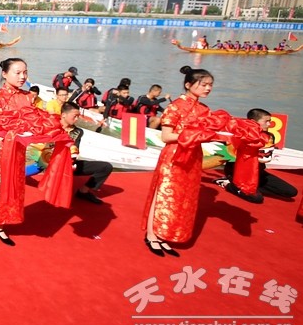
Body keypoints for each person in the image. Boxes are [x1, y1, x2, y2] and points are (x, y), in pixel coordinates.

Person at [141, 66, 263, 257]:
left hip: (194, 156)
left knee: (183, 197)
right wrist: (197, 135)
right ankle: (151, 235)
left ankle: (164, 234)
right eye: (204, 84)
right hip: (174, 156)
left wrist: (242, 131)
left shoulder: (204, 110)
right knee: (163, 194)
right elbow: (166, 136)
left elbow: (218, 127)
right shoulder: (175, 107)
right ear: (188, 85)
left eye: (210, 85)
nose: (208, 88)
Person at [0, 57, 73, 247]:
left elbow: (36, 119)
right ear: (5, 74)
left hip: (18, 150)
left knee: (13, 187)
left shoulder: (28, 97)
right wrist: (23, 123)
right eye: (17, 72)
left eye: (25, 72)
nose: (22, 76)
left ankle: (0, 224)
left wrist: (56, 129)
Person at [215, 108, 299, 203]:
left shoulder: (269, 136)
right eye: (266, 121)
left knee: (291, 192)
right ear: (253, 122)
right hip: (239, 173)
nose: (269, 124)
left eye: (270, 121)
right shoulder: (239, 135)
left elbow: (265, 158)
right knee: (257, 199)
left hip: (259, 172)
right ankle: (228, 184)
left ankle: (249, 188)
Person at [58, 102, 113, 204]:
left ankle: (83, 191)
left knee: (106, 167)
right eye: (75, 116)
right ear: (64, 115)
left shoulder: (78, 132)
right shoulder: (51, 125)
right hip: (48, 161)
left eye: (78, 116)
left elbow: (74, 151)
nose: (77, 119)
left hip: (68, 163)